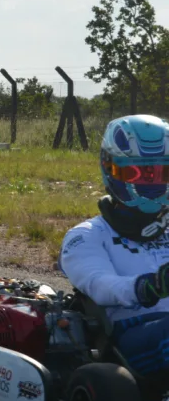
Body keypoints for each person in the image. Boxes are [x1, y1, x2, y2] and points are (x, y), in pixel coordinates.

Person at [60, 115, 169, 380]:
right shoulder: (86, 236)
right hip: (126, 337)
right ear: (111, 170)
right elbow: (101, 286)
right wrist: (149, 286)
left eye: (161, 174)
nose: (152, 184)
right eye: (138, 174)